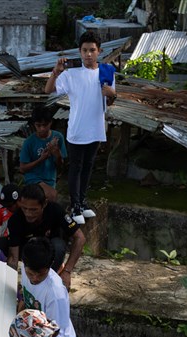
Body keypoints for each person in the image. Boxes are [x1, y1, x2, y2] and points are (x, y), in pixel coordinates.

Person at [45, 31, 117, 225]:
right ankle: (75, 204)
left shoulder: (107, 71)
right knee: (75, 167)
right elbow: (48, 90)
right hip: (77, 129)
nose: (88, 54)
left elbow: (109, 102)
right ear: (79, 51)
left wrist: (112, 94)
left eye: (92, 50)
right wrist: (56, 71)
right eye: (84, 50)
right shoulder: (71, 73)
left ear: (99, 51)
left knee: (88, 166)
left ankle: (83, 202)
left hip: (96, 128)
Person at [3, 184, 85, 289]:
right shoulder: (15, 219)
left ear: (44, 204)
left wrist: (67, 271)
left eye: (33, 210)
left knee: (59, 245)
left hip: (49, 251)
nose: (28, 213)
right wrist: (11, 286)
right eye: (24, 208)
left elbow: (80, 237)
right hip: (26, 250)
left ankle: (50, 278)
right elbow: (13, 258)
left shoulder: (55, 210)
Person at [19, 237, 77, 337]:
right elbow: (25, 298)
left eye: (40, 274)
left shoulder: (55, 293)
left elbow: (53, 333)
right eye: (30, 273)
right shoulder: (26, 267)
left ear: (50, 265)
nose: (34, 278)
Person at [19, 106, 67, 203]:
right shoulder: (29, 142)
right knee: (51, 196)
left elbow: (61, 166)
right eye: (38, 125)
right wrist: (41, 159)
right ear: (34, 125)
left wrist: (57, 154)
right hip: (33, 179)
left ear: (51, 123)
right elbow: (22, 168)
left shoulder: (58, 137)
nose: (42, 129)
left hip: (50, 178)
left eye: (45, 125)